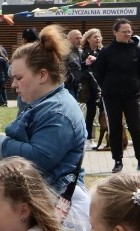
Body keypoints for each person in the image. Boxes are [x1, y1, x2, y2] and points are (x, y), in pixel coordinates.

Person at [0, 25, 89, 231]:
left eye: (18, 77)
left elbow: (39, 158)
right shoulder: (45, 104)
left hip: (54, 208)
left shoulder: (58, 112)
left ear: (42, 75)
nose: (13, 84)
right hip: (44, 204)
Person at [94, 19, 140, 173]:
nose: (128, 34)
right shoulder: (106, 52)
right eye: (124, 31)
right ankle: (118, 160)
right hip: (112, 96)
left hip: (132, 95)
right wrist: (107, 87)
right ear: (115, 32)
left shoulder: (136, 50)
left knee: (136, 127)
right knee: (114, 128)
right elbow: (98, 73)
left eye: (129, 31)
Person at [79, 28, 104, 149]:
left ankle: (112, 138)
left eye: (99, 36)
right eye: (95, 37)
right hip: (89, 87)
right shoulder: (83, 52)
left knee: (106, 112)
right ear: (88, 39)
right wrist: (86, 63)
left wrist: (97, 60)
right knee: (91, 112)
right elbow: (80, 69)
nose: (97, 39)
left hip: (103, 86)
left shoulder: (103, 51)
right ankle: (89, 138)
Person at [65, 29, 84, 100]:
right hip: (68, 87)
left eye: (80, 38)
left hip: (77, 86)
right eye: (77, 38)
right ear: (69, 39)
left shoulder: (80, 51)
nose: (79, 40)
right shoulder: (65, 52)